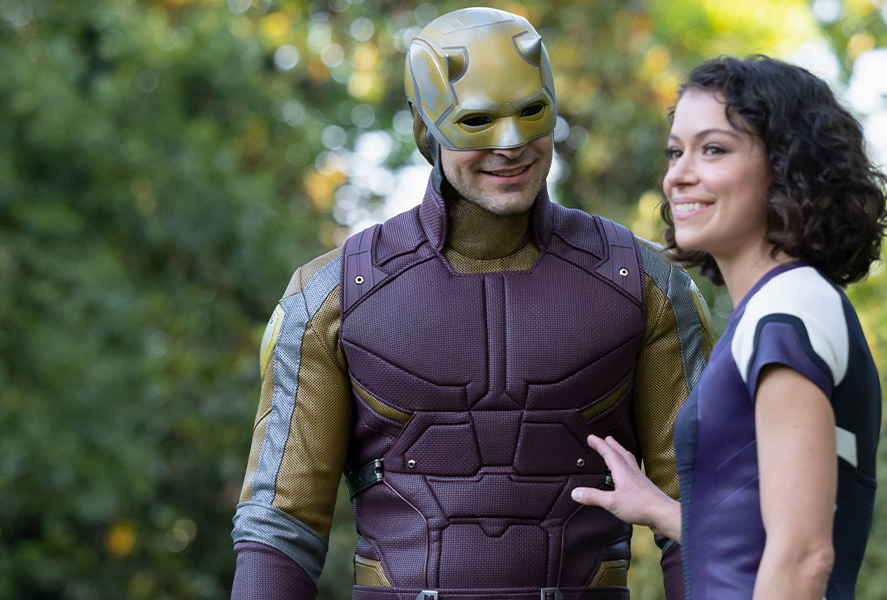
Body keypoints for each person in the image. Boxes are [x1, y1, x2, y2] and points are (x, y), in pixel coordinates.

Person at [229, 7, 710, 600]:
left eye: (530, 113)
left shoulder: (647, 287)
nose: (510, 145)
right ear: (423, 128)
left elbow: (703, 513)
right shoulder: (330, 298)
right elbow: (280, 524)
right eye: (476, 121)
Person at [571, 55, 887, 600]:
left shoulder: (788, 312)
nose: (678, 174)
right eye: (676, 151)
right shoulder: (780, 310)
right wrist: (657, 509)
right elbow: (759, 538)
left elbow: (803, 556)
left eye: (713, 149)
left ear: (788, 167)